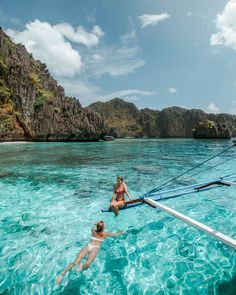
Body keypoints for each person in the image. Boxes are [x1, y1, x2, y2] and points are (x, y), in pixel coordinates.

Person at [56, 221, 123, 284]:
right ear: (103, 228)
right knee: (86, 265)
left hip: (89, 246)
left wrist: (96, 223)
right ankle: (79, 267)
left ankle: (62, 274)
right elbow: (116, 235)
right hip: (94, 248)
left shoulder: (93, 231)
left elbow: (93, 225)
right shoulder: (105, 233)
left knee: (76, 262)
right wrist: (122, 231)